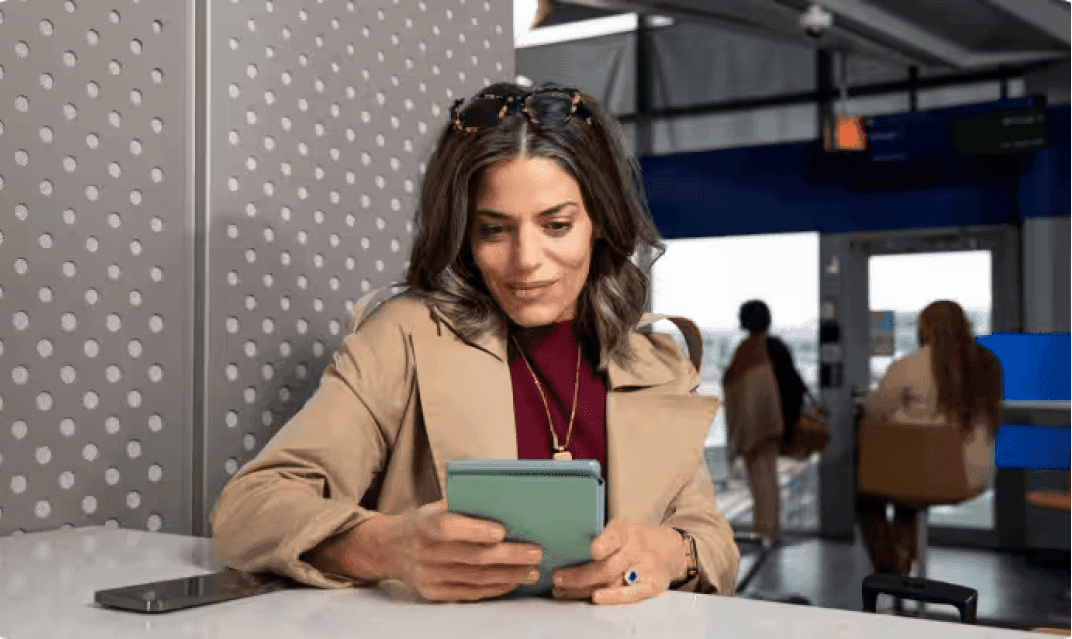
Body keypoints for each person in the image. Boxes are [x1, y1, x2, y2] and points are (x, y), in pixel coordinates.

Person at [210, 81, 740, 604]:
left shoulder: (658, 361)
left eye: (556, 225)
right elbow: (249, 510)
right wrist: (386, 548)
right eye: (494, 230)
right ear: (464, 232)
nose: (526, 259)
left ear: (600, 222)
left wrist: (670, 554)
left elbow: (712, 539)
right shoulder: (404, 338)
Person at [856, 300, 1002, 575]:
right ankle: (902, 564)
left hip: (926, 475)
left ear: (924, 328)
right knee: (907, 485)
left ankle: (890, 570)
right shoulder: (988, 364)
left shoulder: (909, 366)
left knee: (871, 492)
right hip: (975, 475)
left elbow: (875, 413)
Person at [721, 300, 807, 544]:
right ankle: (771, 529)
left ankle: (764, 530)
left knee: (760, 482)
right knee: (769, 479)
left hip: (755, 425)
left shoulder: (747, 349)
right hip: (775, 422)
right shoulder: (777, 346)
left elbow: (734, 384)